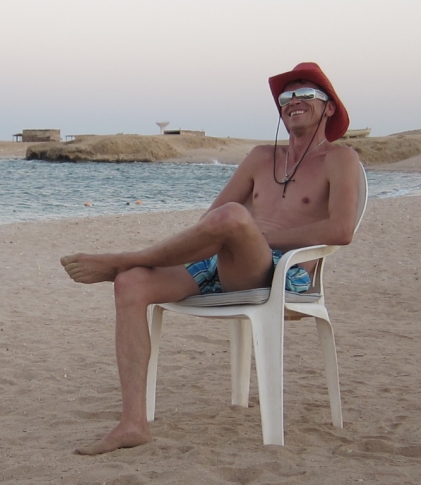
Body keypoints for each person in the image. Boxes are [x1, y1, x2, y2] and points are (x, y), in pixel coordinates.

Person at [60, 62, 362, 455]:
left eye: (306, 94)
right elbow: (211, 219)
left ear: (330, 107)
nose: (294, 101)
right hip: (231, 259)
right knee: (130, 283)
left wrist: (257, 234)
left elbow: (341, 230)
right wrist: (237, 234)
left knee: (234, 218)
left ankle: (126, 257)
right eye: (287, 96)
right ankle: (133, 424)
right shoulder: (260, 157)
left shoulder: (341, 159)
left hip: (283, 273)